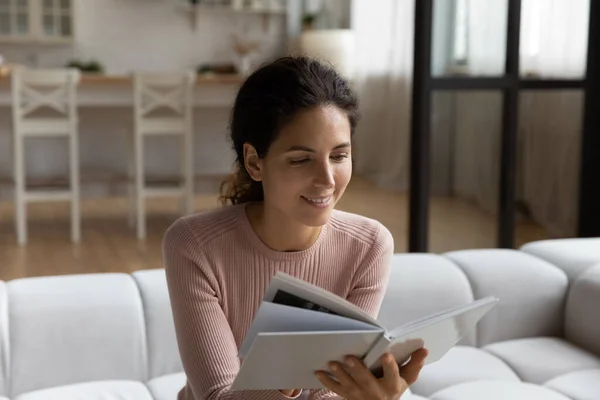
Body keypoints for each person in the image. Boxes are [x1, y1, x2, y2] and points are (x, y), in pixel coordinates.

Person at [162, 56, 428, 400]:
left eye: (339, 156)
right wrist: (288, 376)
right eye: (301, 159)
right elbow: (216, 395)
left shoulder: (369, 245)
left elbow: (330, 392)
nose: (327, 181)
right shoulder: (194, 245)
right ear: (255, 162)